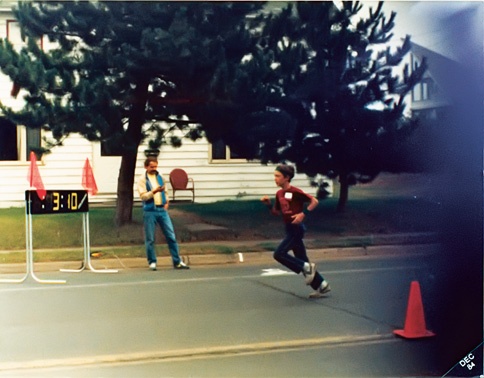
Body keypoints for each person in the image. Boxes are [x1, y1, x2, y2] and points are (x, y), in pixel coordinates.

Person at [261, 164, 330, 298]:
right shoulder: (279, 193)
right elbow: (277, 212)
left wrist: (302, 214)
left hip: (296, 229)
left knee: (279, 254)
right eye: (274, 176)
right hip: (289, 228)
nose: (275, 179)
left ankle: (307, 268)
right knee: (301, 259)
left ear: (286, 178)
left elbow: (314, 201)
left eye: (277, 176)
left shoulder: (295, 191)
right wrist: (269, 205)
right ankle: (321, 285)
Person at [137, 156, 189, 271]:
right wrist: (154, 192)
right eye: (151, 167)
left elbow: (165, 191)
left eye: (155, 166)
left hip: (162, 210)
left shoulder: (160, 177)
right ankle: (152, 261)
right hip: (150, 210)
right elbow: (143, 196)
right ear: (146, 167)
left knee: (171, 236)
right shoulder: (142, 179)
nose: (154, 168)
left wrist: (167, 202)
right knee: (150, 238)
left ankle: (177, 261)